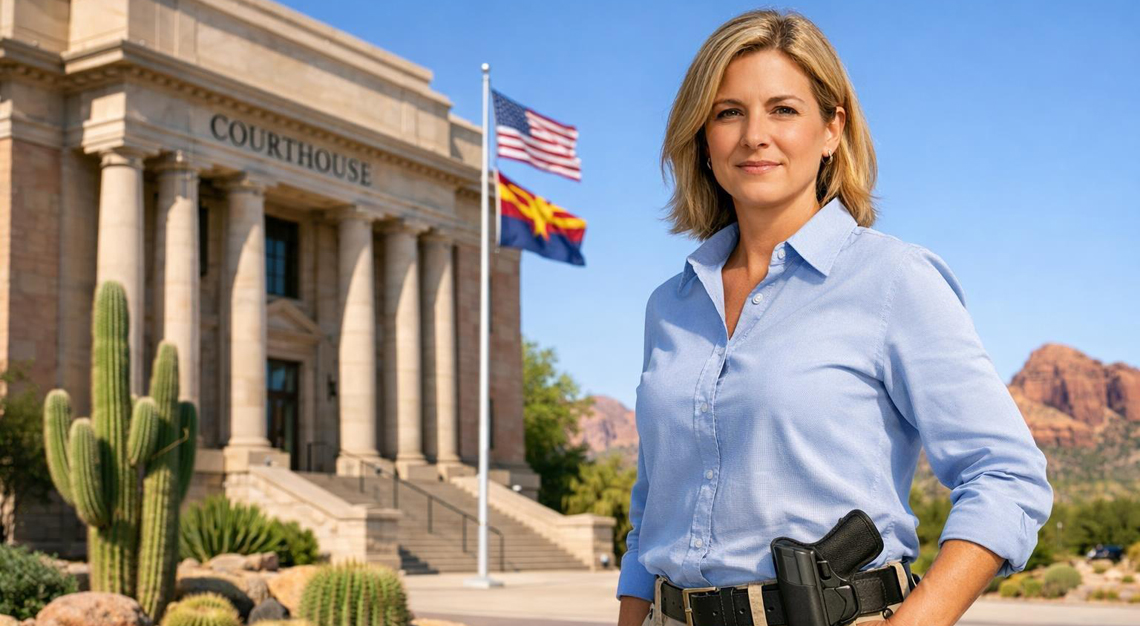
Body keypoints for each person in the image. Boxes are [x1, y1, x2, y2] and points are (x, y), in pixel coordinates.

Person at [615, 9, 1053, 626]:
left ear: (831, 130)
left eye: (783, 110)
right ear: (702, 136)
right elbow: (652, 506)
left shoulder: (893, 280)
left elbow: (1006, 475)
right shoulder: (671, 305)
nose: (754, 135)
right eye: (729, 111)